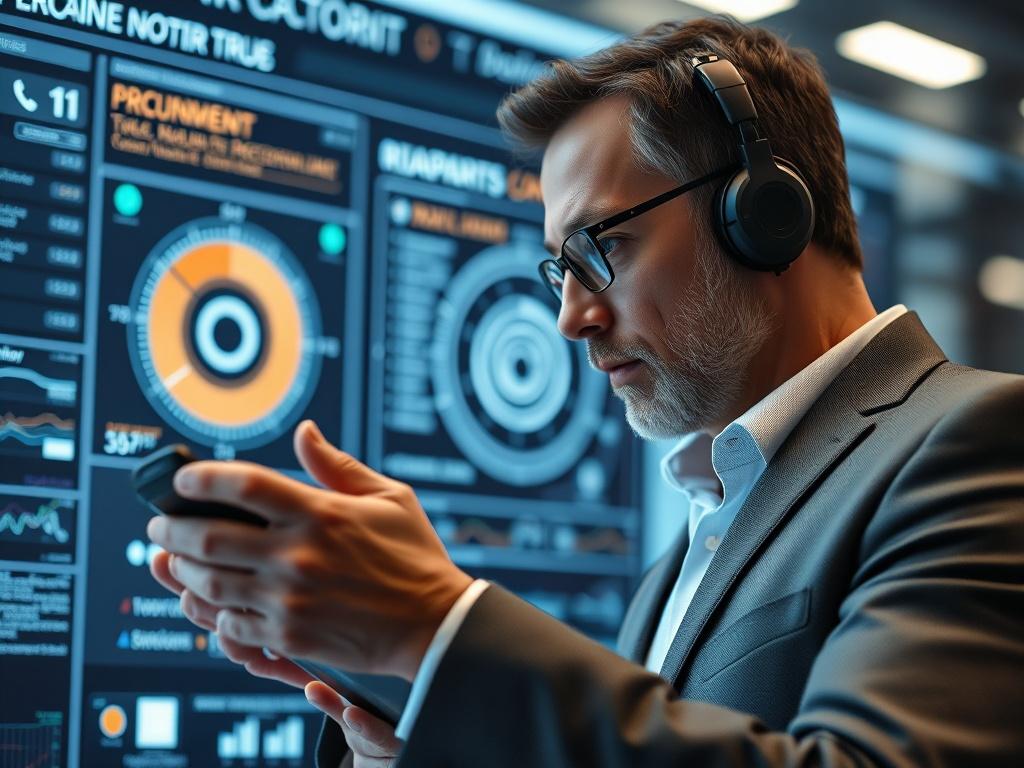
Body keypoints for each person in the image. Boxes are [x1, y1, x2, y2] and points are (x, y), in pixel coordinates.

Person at [147, 15, 1024, 768]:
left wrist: (436, 625)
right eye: (558, 271)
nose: (572, 318)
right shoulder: (673, 571)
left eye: (600, 248)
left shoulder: (980, 442)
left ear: (762, 212)